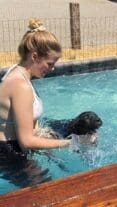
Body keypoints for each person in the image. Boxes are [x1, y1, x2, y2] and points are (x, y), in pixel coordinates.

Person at [0, 18, 70, 187]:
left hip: (12, 144)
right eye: (50, 63)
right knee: (46, 193)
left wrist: (47, 138)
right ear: (35, 56)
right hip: (7, 151)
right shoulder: (21, 86)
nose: (52, 69)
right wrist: (67, 144)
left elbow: (24, 122)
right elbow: (27, 141)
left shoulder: (18, 72)